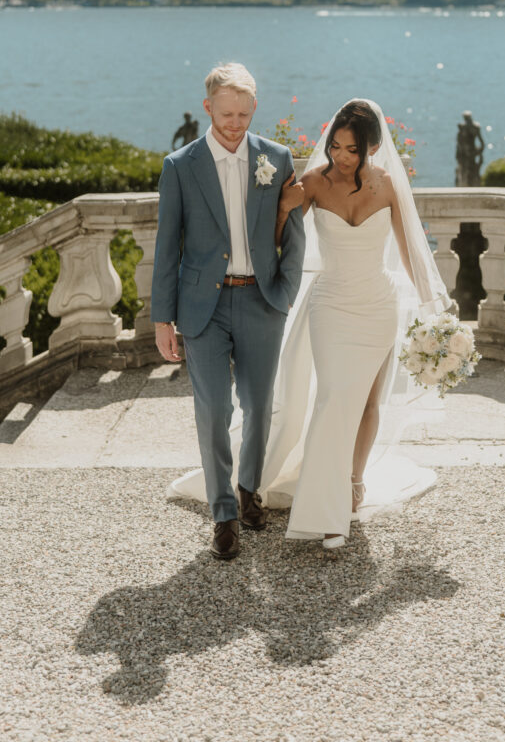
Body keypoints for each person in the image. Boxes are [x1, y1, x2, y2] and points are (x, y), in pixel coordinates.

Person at [261, 100, 451, 549]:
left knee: (367, 404)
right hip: (330, 303)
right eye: (336, 146)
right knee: (331, 398)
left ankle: (353, 483)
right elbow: (275, 244)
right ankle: (323, 513)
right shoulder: (312, 182)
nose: (342, 157)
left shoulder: (386, 186)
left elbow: (409, 249)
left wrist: (433, 303)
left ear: (371, 148)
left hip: (377, 305)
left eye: (352, 150)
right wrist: (284, 209)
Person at [151, 63, 305, 560]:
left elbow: (293, 237)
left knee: (260, 405)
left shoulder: (276, 159)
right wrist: (162, 319)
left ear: (254, 108)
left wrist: (282, 292)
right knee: (214, 408)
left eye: (242, 113)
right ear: (207, 109)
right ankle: (222, 513)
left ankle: (249, 488)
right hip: (203, 307)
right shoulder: (180, 165)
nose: (235, 123)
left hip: (262, 301)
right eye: (225, 113)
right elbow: (167, 245)